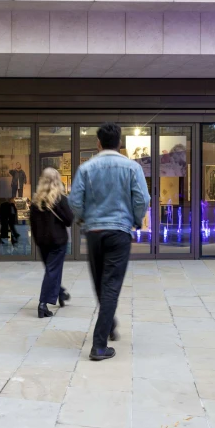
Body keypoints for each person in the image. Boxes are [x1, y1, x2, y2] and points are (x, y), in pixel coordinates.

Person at [70, 123, 150, 361]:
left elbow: (74, 200)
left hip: (94, 232)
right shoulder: (132, 167)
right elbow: (142, 199)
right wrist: (135, 221)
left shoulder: (86, 168)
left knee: (100, 283)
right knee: (111, 284)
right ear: (120, 143)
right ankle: (99, 346)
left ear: (98, 143)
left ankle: (108, 324)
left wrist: (85, 218)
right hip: (119, 231)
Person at [30, 168, 72, 319]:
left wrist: (37, 240)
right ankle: (43, 304)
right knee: (52, 271)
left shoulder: (36, 201)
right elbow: (69, 220)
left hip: (42, 242)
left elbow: (33, 224)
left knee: (51, 270)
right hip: (58, 241)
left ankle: (60, 293)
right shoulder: (60, 199)